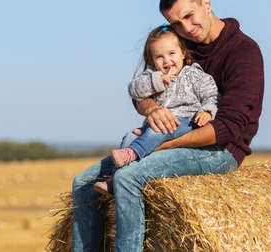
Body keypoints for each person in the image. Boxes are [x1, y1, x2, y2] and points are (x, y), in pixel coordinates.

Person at [72, 0, 264, 252]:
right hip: (163, 136)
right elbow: (140, 93)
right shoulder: (180, 44)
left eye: (189, 16)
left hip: (219, 150)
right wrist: (152, 109)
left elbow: (229, 128)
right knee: (83, 183)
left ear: (206, 4)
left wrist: (160, 146)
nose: (186, 28)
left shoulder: (243, 52)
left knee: (128, 178)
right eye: (176, 23)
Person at [93, 24, 219, 195]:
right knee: (129, 136)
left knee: (157, 129)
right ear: (152, 60)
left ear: (183, 53)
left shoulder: (195, 75)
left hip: (184, 122)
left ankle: (132, 153)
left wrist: (207, 111)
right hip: (155, 123)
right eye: (159, 57)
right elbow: (134, 90)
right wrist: (156, 80)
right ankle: (116, 180)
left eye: (172, 54)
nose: (167, 61)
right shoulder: (152, 75)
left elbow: (212, 95)